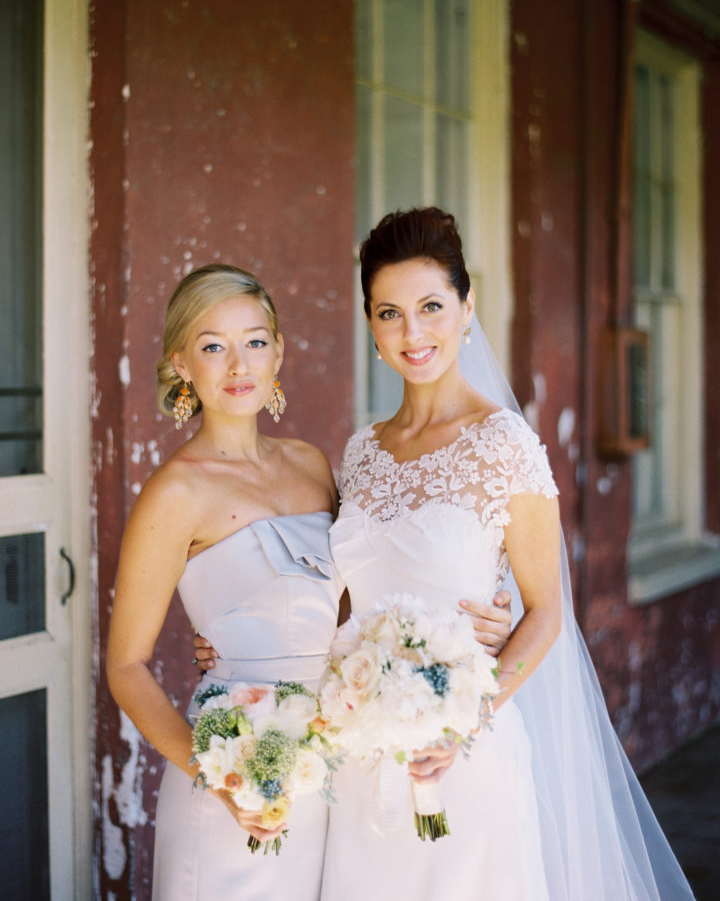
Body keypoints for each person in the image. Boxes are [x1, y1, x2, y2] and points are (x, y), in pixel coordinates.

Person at [317, 208, 695, 901]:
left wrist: (463, 718)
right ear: (370, 326)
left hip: (463, 754)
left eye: (431, 306)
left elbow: (547, 610)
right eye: (389, 312)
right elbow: (344, 601)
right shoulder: (361, 452)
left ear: (467, 309)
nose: (412, 332)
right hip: (360, 759)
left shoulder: (505, 445)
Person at [107, 262, 512, 901]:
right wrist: (219, 774)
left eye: (255, 342)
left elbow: (352, 604)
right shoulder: (173, 492)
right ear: (182, 364)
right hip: (236, 783)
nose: (238, 365)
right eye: (213, 347)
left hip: (326, 773)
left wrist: (476, 623)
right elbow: (125, 666)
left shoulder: (311, 464)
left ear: (279, 354)